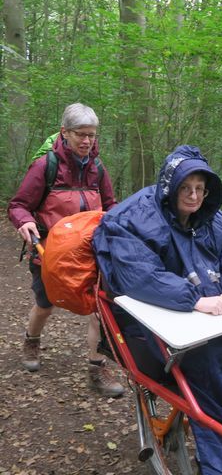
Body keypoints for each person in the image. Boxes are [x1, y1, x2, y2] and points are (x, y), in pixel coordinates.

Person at [92, 145, 222, 474]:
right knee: (209, 360)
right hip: (154, 326)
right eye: (185, 188)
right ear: (169, 187)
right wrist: (195, 299)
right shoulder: (130, 220)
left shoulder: (212, 219)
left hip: (209, 317)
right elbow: (138, 276)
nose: (193, 197)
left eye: (200, 190)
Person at [7, 102, 124, 398]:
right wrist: (24, 223)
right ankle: (32, 339)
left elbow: (110, 206)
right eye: (81, 134)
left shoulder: (97, 168)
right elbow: (19, 205)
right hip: (49, 251)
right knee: (46, 305)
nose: (87, 141)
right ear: (65, 133)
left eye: (92, 135)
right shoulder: (45, 166)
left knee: (100, 308)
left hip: (90, 251)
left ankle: (96, 368)